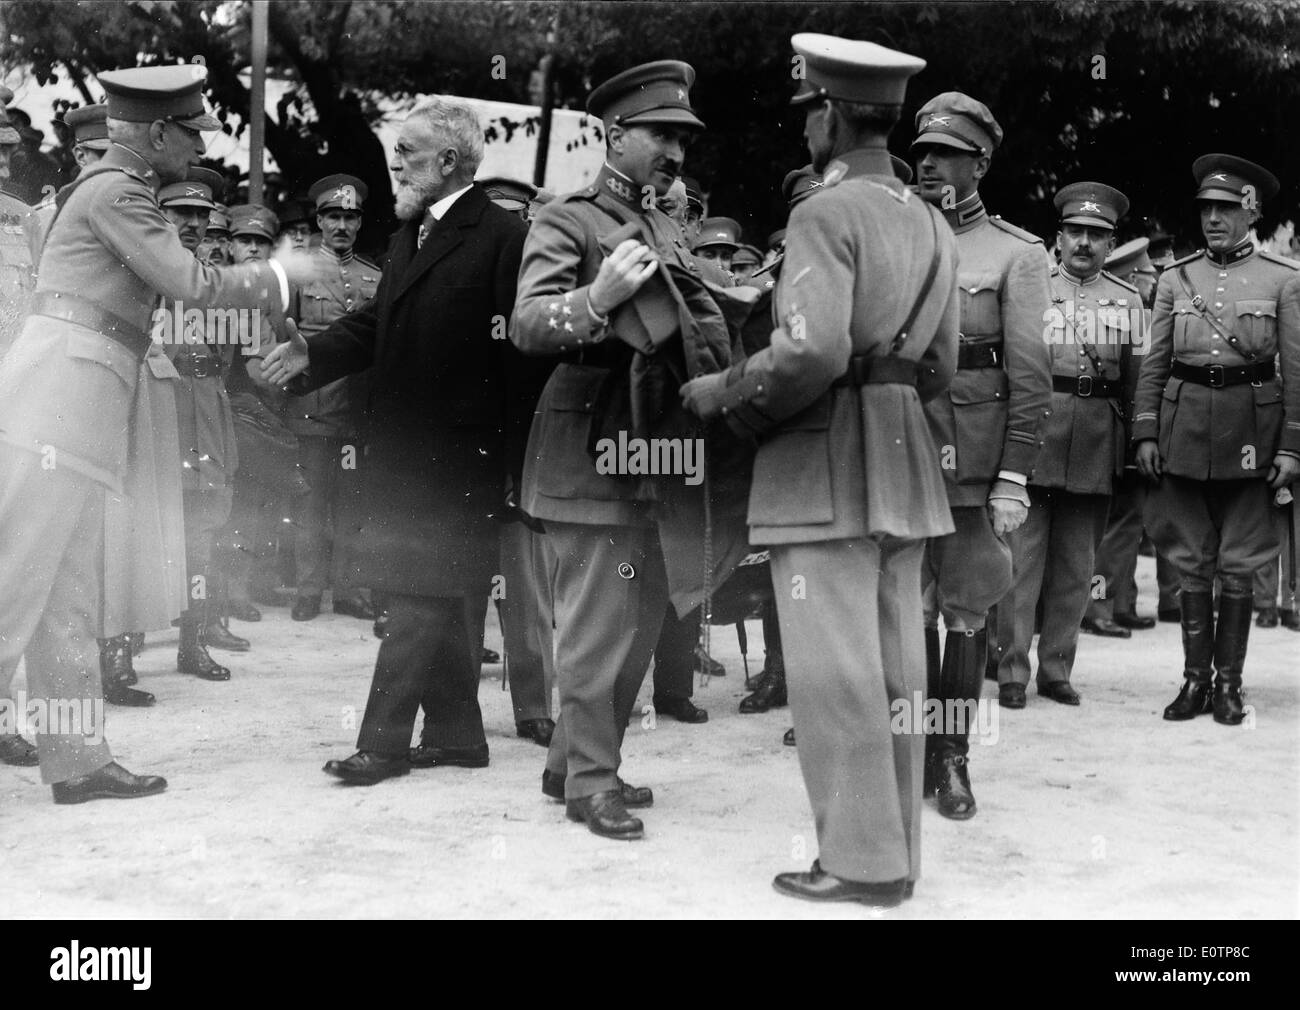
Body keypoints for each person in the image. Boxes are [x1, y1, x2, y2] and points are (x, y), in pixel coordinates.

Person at [683, 33, 957, 906]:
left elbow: (811, 351)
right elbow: (942, 365)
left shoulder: (822, 214)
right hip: (903, 457)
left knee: (834, 678)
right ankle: (895, 856)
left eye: (808, 113)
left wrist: (723, 390)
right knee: (896, 674)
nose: (804, 130)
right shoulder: (931, 220)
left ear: (833, 115)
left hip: (825, 463)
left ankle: (859, 864)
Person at [0, 65, 300, 803]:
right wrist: (282, 277)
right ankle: (75, 757)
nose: (197, 144)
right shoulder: (117, 191)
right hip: (59, 404)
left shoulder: (111, 189)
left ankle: (76, 760)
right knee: (12, 584)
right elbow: (193, 284)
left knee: (67, 589)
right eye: (192, 130)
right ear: (159, 132)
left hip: (77, 404)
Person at [510, 60, 746, 840]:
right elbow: (528, 327)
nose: (675, 152)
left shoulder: (668, 225)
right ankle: (591, 778)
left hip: (658, 445)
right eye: (660, 135)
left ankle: (570, 764)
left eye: (683, 138)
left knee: (643, 613)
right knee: (596, 620)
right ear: (614, 133)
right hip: (589, 439)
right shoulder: (567, 218)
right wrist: (599, 298)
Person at [263, 96, 529, 785]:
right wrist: (309, 358)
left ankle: (381, 746)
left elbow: (522, 359)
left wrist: (514, 462)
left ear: (448, 160)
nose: (397, 159)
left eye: (409, 149)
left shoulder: (503, 236)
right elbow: (377, 327)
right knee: (428, 589)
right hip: (406, 451)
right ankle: (456, 736)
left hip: (464, 456)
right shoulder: (411, 234)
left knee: (414, 596)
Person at [912, 90, 1053, 818]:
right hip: (900, 459)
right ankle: (909, 757)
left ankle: (953, 759)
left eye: (947, 154)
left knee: (965, 610)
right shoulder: (896, 234)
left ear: (981, 162)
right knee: (903, 610)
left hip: (971, 465)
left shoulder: (1016, 253)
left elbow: (1030, 375)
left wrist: (1012, 476)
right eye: (923, 151)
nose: (929, 164)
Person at [1134, 154, 1300, 725]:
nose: (1213, 219)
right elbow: (1156, 363)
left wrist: (1292, 446)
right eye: (1207, 208)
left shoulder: (1282, 279)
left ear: (1252, 212)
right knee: (1189, 560)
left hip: (1253, 433)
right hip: (1183, 434)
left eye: (1227, 209)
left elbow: (1296, 371)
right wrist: (1146, 432)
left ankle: (1228, 686)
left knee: (1239, 562)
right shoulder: (1176, 277)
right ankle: (1193, 682)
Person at [994, 182, 1144, 708]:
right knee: (1020, 563)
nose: (1084, 242)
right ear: (1057, 239)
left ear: (1110, 244)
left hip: (1095, 443)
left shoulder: (1129, 302)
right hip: (1036, 436)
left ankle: (1057, 668)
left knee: (1077, 568)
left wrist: (1133, 445)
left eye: (1096, 235)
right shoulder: (1031, 291)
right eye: (1075, 232)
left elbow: (1136, 381)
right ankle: (1011, 670)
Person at [283, 174, 381, 624]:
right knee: (310, 502)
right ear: (320, 220)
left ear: (359, 223)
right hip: (311, 405)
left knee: (352, 501)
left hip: (354, 408)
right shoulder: (297, 272)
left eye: (350, 217)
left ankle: (349, 589)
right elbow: (282, 336)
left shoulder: (375, 277)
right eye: (333, 216)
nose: (341, 225)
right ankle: (308, 590)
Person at [1082, 236, 1181, 635]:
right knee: (1123, 525)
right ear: (1133, 277)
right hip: (1129, 437)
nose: (1152, 282)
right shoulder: (1134, 312)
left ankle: (1120, 603)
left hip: (1118, 433)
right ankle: (1099, 607)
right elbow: (1141, 380)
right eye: (1146, 275)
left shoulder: (1123, 310)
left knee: (1124, 524)